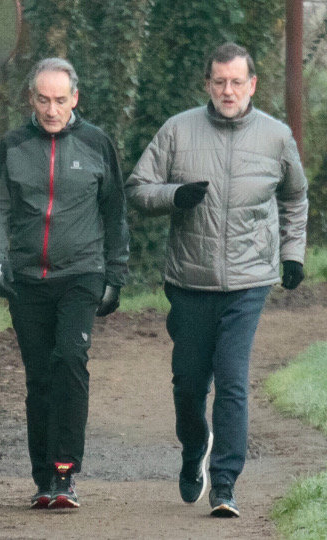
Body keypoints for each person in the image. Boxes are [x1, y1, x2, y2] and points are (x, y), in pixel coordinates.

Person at [125, 42, 308, 518]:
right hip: (189, 280)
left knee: (232, 381)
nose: (228, 90)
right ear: (208, 84)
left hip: (249, 282)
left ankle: (225, 484)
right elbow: (138, 189)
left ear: (252, 85)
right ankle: (194, 448)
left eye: (236, 82)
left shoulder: (275, 137)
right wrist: (175, 196)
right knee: (189, 385)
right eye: (219, 81)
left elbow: (295, 198)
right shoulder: (177, 131)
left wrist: (292, 254)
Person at [0, 57, 129, 509]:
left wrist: (115, 275)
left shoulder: (97, 144)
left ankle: (66, 471)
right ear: (31, 99)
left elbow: (115, 212)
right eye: (43, 99)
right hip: (27, 279)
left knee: (70, 360)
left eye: (60, 100)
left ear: (75, 99)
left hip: (80, 274)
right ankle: (43, 477)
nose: (51, 109)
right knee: (40, 377)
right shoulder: (13, 146)